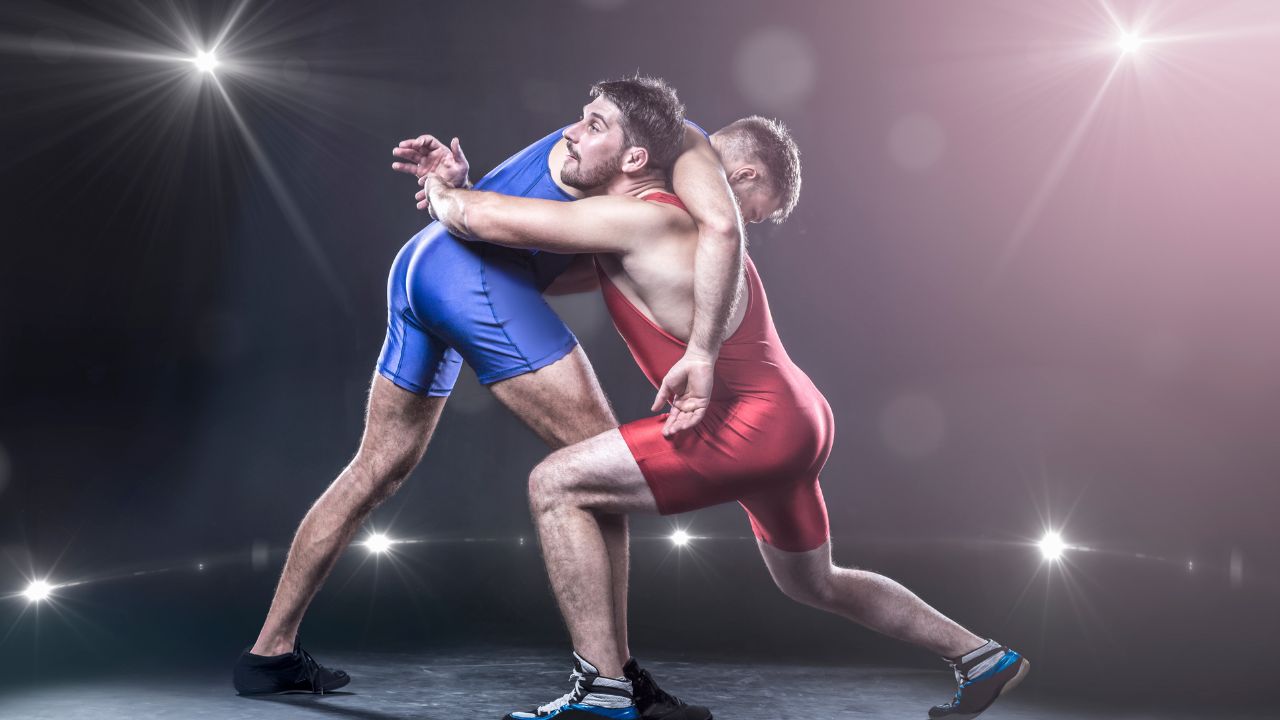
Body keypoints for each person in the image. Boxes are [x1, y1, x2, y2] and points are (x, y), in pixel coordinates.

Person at [422, 79, 1030, 720]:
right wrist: (469, 193)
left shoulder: (648, 215)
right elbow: (547, 257)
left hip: (754, 421)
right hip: (798, 416)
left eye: (595, 125)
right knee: (813, 582)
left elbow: (480, 219)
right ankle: (981, 656)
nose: (572, 134)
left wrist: (445, 189)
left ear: (638, 156)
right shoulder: (660, 229)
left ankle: (601, 690)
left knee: (557, 485)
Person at [233, 76, 743, 720]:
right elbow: (720, 223)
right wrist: (450, 191)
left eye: (592, 123)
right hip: (467, 273)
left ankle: (268, 657)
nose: (570, 132)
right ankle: (612, 681)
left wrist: (461, 187)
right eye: (581, 117)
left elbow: (576, 250)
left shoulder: (645, 175)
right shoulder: (671, 158)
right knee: (599, 468)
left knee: (376, 468)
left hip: (420, 268)